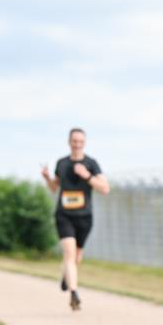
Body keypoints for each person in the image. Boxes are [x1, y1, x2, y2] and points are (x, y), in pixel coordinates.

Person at [40, 127, 110, 310]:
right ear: (69, 142)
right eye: (74, 141)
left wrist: (87, 176)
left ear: (84, 143)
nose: (77, 144)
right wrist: (47, 178)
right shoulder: (61, 163)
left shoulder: (91, 164)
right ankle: (74, 293)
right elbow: (55, 188)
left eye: (80, 141)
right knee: (69, 254)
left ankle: (67, 277)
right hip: (64, 215)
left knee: (77, 255)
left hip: (84, 216)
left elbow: (105, 188)